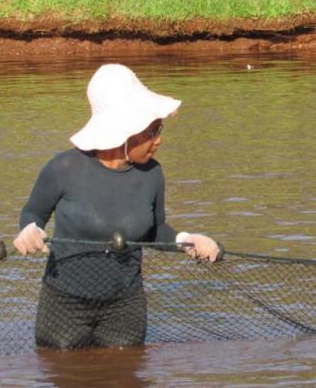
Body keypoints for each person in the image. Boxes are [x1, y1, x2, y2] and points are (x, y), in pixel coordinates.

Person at [13, 63, 221, 348]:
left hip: (125, 306)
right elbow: (33, 213)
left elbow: (153, 230)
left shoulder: (152, 175)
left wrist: (187, 240)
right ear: (125, 130)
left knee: (126, 382)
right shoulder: (63, 168)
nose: (159, 140)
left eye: (159, 129)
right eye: (152, 131)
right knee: (63, 379)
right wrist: (29, 230)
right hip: (64, 305)